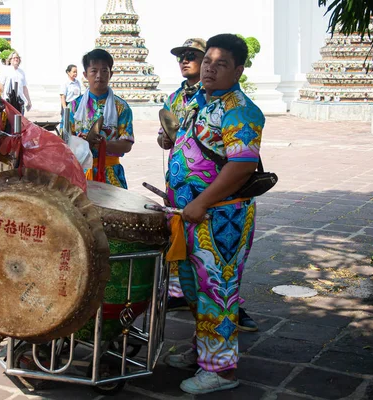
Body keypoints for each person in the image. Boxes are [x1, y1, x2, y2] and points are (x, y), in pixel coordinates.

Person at [162, 34, 264, 394]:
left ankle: (221, 370)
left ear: (238, 69)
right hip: (188, 214)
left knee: (217, 290)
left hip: (221, 217)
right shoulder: (199, 101)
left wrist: (202, 202)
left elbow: (242, 165)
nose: (210, 68)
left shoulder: (240, 109)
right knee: (193, 289)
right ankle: (202, 352)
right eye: (209, 62)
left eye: (221, 64)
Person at [158, 38, 206, 313]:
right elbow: (164, 137)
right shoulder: (174, 98)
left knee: (206, 248)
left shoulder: (210, 96)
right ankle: (178, 291)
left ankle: (225, 304)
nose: (184, 60)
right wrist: (164, 140)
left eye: (191, 56)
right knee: (177, 236)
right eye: (181, 57)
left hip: (203, 188)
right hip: (176, 183)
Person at [65, 49, 133, 189]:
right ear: (85, 75)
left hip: (110, 172)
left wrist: (104, 144)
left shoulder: (121, 107)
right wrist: (80, 143)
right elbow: (63, 141)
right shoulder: (73, 107)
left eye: (104, 71)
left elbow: (127, 145)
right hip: (79, 173)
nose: (99, 76)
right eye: (94, 71)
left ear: (111, 74)